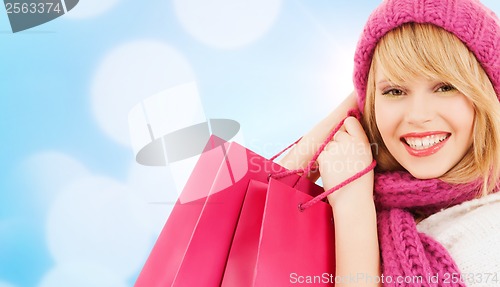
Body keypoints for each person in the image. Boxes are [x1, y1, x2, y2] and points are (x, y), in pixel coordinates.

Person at [279, 0, 500, 286]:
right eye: (395, 91)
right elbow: (255, 206)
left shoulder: (488, 231)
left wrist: (352, 207)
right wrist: (359, 98)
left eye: (445, 87)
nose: (418, 116)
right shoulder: (375, 198)